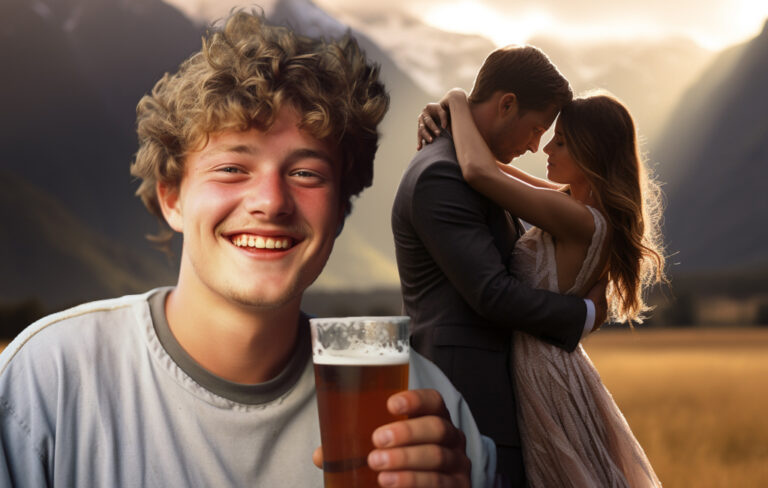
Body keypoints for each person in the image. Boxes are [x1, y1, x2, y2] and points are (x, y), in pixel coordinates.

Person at [0, 11, 496, 487]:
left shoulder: (424, 404)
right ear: (170, 198)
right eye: (232, 168)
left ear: (340, 210)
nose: (272, 202)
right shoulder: (47, 378)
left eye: (306, 173)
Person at [416, 87, 667, 486]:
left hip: (542, 371)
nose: (547, 148)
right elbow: (503, 172)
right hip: (555, 363)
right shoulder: (580, 207)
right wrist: (452, 126)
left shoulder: (575, 217)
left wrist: (457, 99)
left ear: (592, 154)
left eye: (562, 141)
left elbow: (480, 173)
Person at [391, 45, 607, 486]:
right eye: (536, 129)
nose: (534, 146)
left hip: (489, 391)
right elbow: (491, 294)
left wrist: (453, 99)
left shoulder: (474, 167)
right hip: (467, 394)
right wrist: (584, 314)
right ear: (507, 103)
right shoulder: (444, 173)